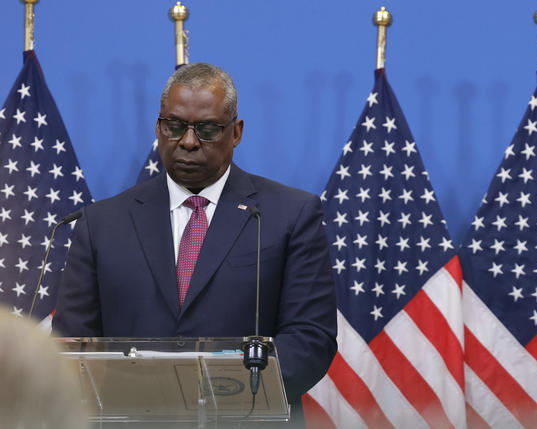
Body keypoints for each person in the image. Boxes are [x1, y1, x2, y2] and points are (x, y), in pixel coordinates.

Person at [53, 63, 337, 405]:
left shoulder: (289, 215)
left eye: (207, 130)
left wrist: (214, 396)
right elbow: (72, 343)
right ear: (158, 128)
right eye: (174, 126)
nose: (188, 142)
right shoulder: (101, 223)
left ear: (236, 132)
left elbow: (310, 339)